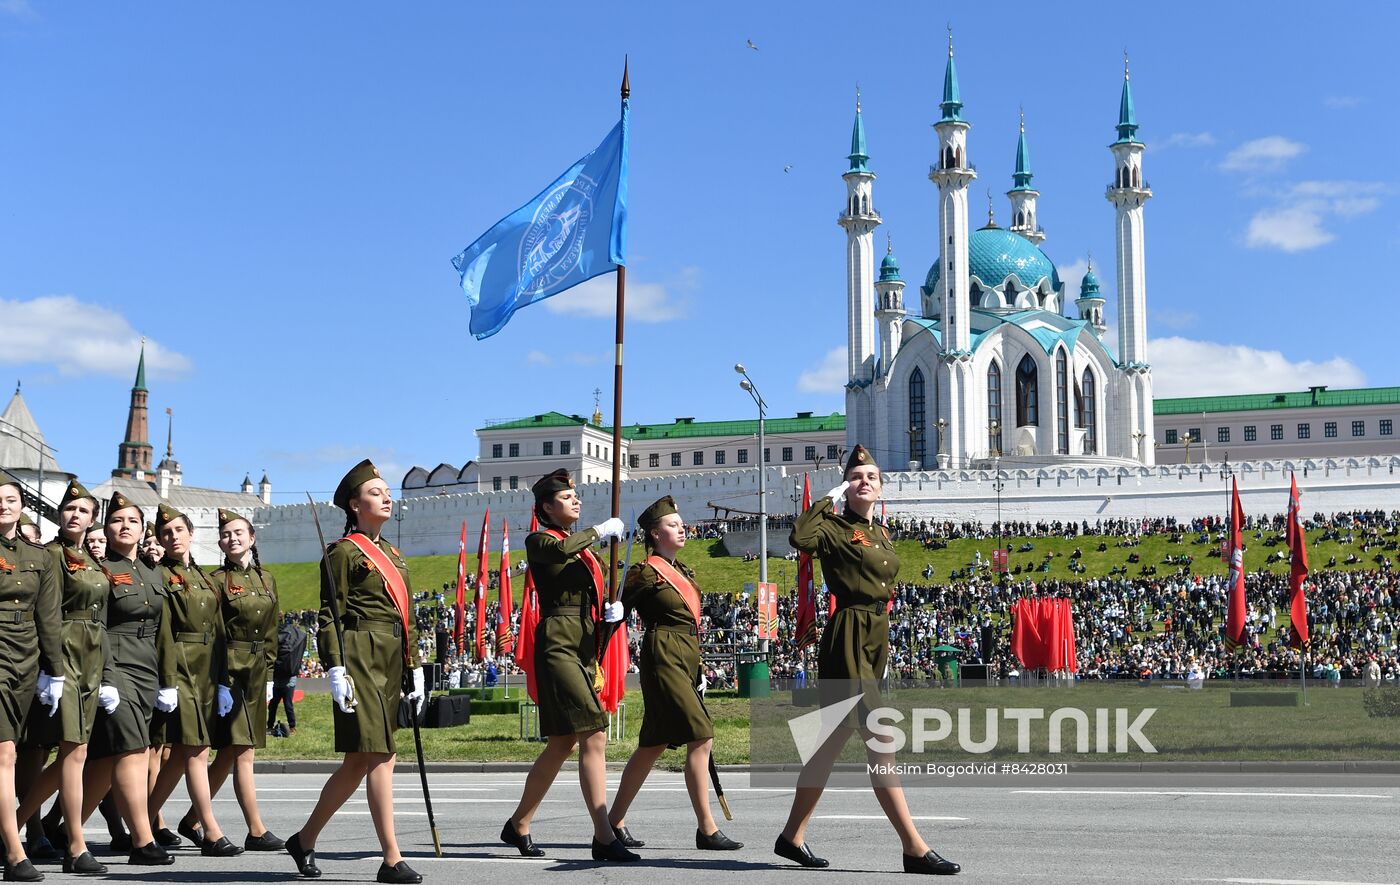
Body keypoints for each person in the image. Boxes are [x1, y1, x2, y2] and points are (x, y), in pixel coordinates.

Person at [775, 446, 960, 876]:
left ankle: (791, 837)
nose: (865, 481)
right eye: (857, 476)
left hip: (876, 636)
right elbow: (799, 537)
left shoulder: (881, 534)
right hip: (849, 635)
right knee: (882, 741)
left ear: (881, 485)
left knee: (827, 748)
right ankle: (914, 847)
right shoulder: (835, 529)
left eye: (872, 476)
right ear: (847, 485)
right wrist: (829, 498)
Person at [286, 459, 425, 884]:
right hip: (360, 655)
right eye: (375, 491)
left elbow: (408, 615)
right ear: (354, 503)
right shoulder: (343, 552)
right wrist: (334, 667)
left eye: (387, 491)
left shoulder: (393, 555)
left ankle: (305, 839)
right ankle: (391, 858)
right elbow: (330, 614)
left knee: (361, 762)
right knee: (378, 756)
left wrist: (415, 667)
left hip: (390, 657)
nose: (386, 496)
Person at [501, 468, 635, 862]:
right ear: (546, 507)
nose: (575, 500)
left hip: (583, 641)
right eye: (566, 497)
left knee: (561, 744)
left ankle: (518, 824)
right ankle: (603, 835)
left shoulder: (583, 549)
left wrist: (611, 611)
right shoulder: (540, 540)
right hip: (558, 643)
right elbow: (560, 553)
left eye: (576, 496)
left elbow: (590, 585)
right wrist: (598, 530)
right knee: (594, 732)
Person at [607, 496, 741, 851]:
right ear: (654, 533)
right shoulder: (644, 572)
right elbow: (616, 613)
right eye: (672, 524)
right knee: (701, 734)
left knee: (653, 744)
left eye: (681, 523)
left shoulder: (683, 571)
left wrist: (697, 667)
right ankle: (707, 829)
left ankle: (612, 822)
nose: (681, 527)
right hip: (662, 653)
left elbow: (691, 622)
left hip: (686, 654)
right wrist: (614, 611)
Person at [14, 481, 109, 875]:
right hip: (63, 654)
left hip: (91, 657)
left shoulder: (89, 558)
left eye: (84, 510)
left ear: (92, 519)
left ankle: (14, 827)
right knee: (71, 751)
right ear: (59, 514)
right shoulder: (50, 555)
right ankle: (74, 844)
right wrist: (51, 669)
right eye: (69, 509)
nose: (75, 515)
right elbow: (46, 614)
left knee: (78, 752)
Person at [180, 509, 284, 851]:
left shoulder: (267, 579)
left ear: (252, 538)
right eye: (226, 535)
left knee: (229, 752)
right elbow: (215, 632)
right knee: (242, 751)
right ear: (221, 544)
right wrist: (221, 677)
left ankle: (194, 818)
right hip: (230, 669)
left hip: (256, 670)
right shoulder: (215, 581)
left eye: (239, 532)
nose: (232, 538)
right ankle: (256, 829)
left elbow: (271, 630)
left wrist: (268, 673)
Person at [81, 491, 175, 866]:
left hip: (146, 664)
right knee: (131, 751)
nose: (125, 526)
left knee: (112, 757)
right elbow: (98, 626)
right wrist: (105, 677)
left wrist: (167, 679)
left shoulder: (153, 571)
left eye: (132, 521)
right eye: (117, 521)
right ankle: (142, 840)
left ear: (142, 529)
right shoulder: (102, 568)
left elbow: (162, 629)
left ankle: (59, 826)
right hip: (115, 663)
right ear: (106, 528)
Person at [143, 505, 243, 857]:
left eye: (177, 531)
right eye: (165, 532)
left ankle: (141, 820)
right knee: (197, 750)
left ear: (190, 533)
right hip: (180, 667)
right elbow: (165, 632)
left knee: (181, 753)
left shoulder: (203, 576)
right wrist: (167, 680)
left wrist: (224, 680)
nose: (172, 537)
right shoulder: (158, 576)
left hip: (207, 670)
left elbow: (218, 630)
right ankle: (210, 831)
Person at [0, 471, 64, 882]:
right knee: (4, 753)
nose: (2, 505)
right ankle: (13, 850)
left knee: (18, 752)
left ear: (21, 506)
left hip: (27, 659)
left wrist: (53, 671)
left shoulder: (39, 556)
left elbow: (49, 616)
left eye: (10, 499)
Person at [268, 614, 306, 735]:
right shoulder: (291, 633)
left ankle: (272, 726)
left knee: (274, 704)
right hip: (289, 678)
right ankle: (291, 727)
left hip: (279, 677)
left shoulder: (275, 634)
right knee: (286, 704)